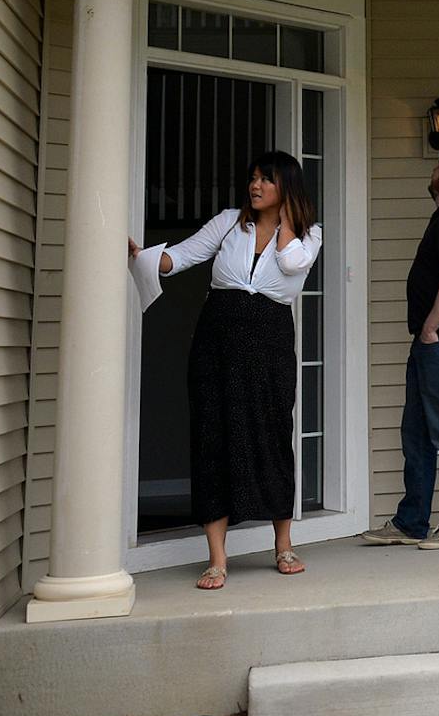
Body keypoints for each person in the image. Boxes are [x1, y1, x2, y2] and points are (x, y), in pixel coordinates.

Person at [131, 151, 323, 590]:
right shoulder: (229, 222)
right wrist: (143, 256)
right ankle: (217, 558)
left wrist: (287, 221)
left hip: (270, 342)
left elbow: (292, 264)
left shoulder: (310, 236)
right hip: (217, 339)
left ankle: (283, 544)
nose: (255, 186)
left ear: (286, 188)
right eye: (253, 178)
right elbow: (178, 258)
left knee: (271, 434)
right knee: (213, 436)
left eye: (266, 180)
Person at [363, 150, 439, 550]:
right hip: (432, 343)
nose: (433, 172)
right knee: (416, 434)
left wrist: (431, 329)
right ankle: (411, 521)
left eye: (438, 166)